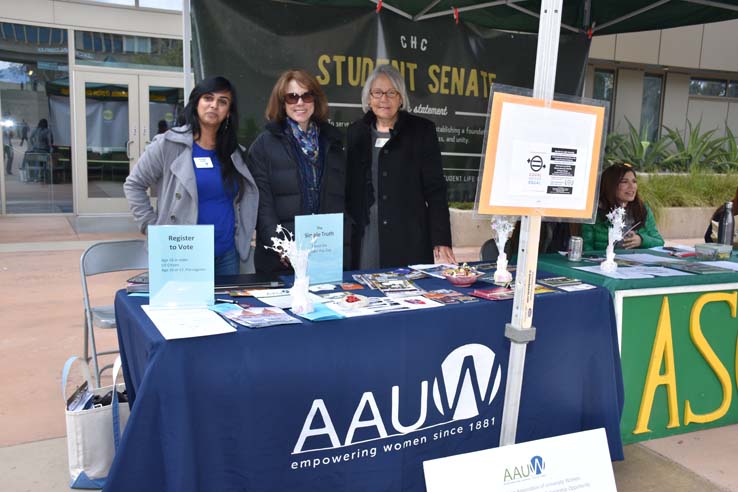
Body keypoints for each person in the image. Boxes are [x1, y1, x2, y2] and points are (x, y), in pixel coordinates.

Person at [124, 76, 259, 276]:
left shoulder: (234, 153)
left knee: (227, 307)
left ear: (228, 113)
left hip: (227, 254)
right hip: (184, 255)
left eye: (222, 102)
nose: (214, 105)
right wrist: (151, 228)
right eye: (208, 98)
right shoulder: (168, 144)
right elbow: (133, 184)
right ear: (196, 102)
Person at [346, 64, 455, 269]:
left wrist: (441, 238)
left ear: (401, 98)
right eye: (377, 93)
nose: (383, 99)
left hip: (409, 238)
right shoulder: (355, 133)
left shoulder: (422, 131)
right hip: (366, 236)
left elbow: (436, 190)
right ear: (368, 98)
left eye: (391, 92)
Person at [247, 69, 349, 274]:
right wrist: (283, 248)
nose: (300, 103)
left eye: (306, 96)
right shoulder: (264, 145)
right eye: (292, 97)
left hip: (326, 255)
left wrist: (344, 238)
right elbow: (262, 205)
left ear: (316, 100)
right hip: (282, 260)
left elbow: (344, 199)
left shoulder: (334, 142)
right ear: (282, 103)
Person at [582, 163, 664, 251]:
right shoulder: (594, 212)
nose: (632, 186)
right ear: (611, 185)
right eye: (624, 182)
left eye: (634, 181)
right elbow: (586, 249)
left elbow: (659, 242)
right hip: (603, 263)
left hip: (635, 262)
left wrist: (641, 240)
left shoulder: (642, 209)